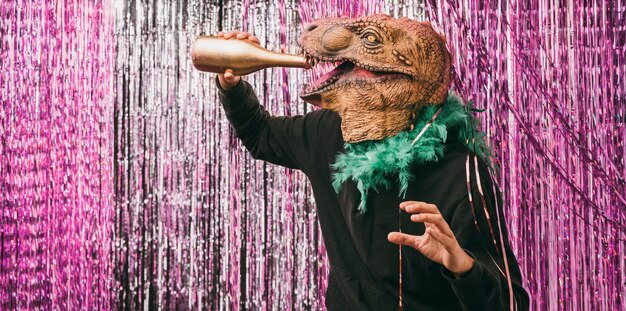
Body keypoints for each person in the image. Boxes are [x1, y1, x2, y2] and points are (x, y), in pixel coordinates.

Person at [214, 25, 529, 310]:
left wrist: (463, 267)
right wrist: (232, 84)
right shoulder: (328, 130)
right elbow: (261, 134)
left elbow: (510, 304)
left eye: (371, 40)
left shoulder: (461, 171)